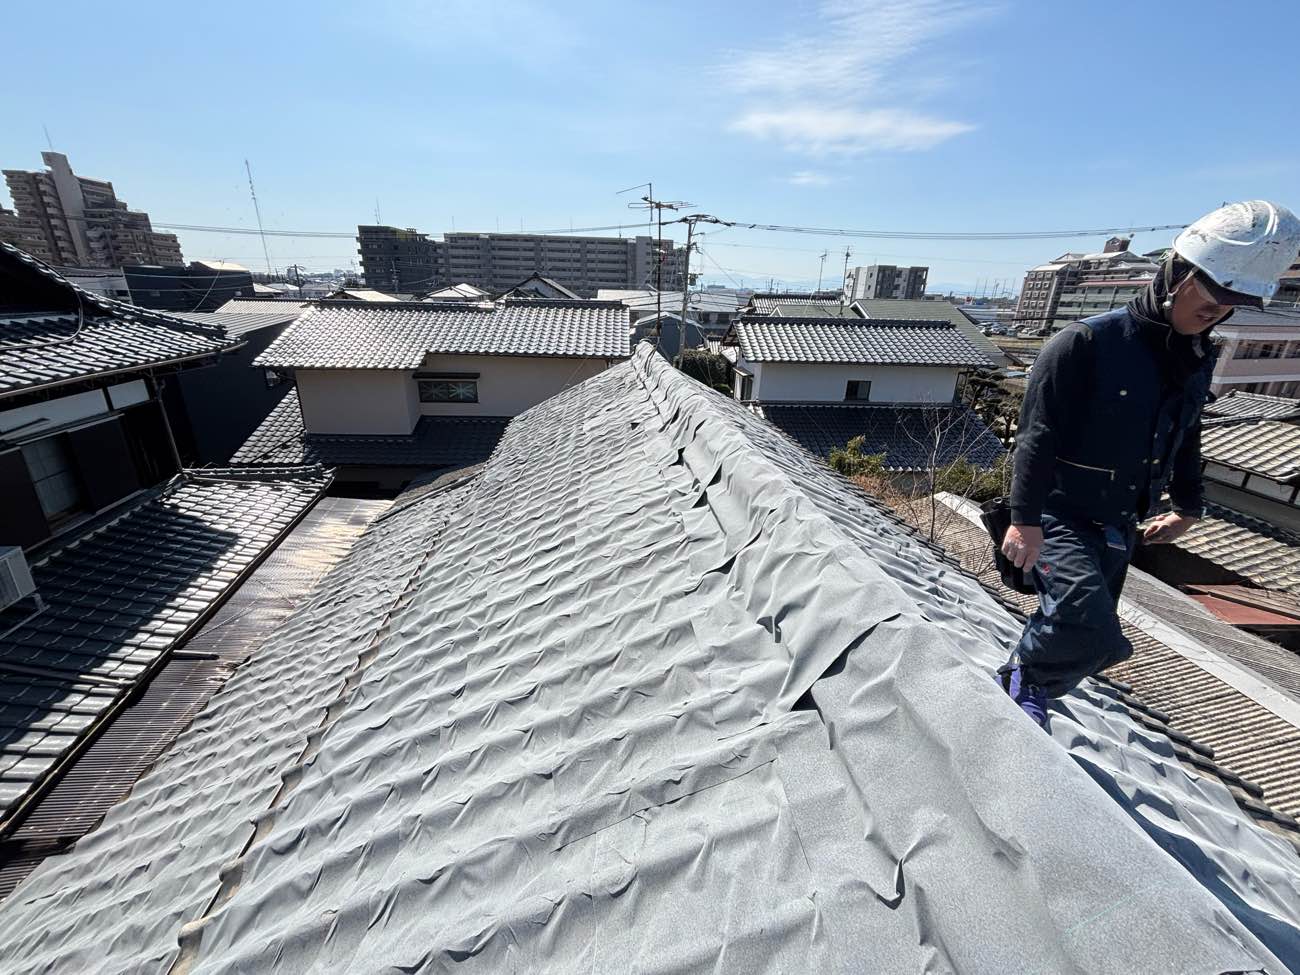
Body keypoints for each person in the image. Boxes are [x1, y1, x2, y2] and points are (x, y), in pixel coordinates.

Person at [999, 200, 1300, 726]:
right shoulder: (1085, 344)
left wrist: (1187, 505)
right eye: (1211, 298)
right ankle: (1021, 681)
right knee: (1086, 625)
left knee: (1091, 641)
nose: (1218, 312)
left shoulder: (1197, 356)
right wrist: (1024, 521)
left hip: (1119, 522)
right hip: (1059, 513)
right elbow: (1037, 437)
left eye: (1233, 304)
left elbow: (1188, 435)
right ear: (1176, 274)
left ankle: (1031, 686)